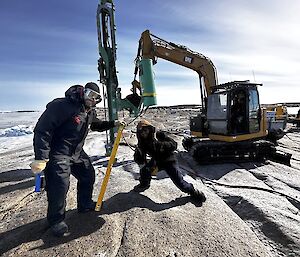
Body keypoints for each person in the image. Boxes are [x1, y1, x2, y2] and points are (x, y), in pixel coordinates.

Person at [30, 82, 124, 237]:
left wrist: (113, 123)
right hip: (58, 153)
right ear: (82, 92)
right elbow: (42, 130)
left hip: (77, 152)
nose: (93, 100)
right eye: (91, 95)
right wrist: (41, 157)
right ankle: (56, 220)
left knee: (88, 175)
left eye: (97, 98)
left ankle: (84, 203)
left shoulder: (88, 111)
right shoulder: (62, 106)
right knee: (59, 185)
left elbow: (97, 125)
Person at [133, 119, 206, 203]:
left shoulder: (158, 139)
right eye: (142, 132)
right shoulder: (142, 143)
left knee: (180, 183)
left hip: (169, 161)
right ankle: (144, 184)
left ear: (150, 130)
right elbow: (141, 159)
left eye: (146, 130)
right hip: (157, 161)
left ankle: (193, 191)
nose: (144, 133)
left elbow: (174, 145)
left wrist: (163, 142)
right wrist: (138, 156)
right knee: (145, 170)